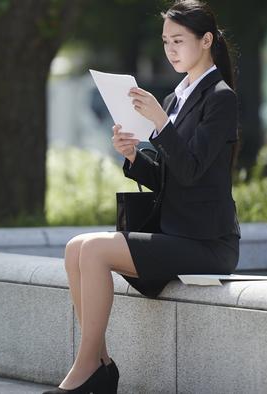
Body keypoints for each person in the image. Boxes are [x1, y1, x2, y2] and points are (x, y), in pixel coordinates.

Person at [42, 1, 241, 393]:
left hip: (205, 242)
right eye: (166, 41)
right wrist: (133, 155)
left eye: (179, 40)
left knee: (95, 250)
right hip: (175, 232)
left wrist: (161, 124)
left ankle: (87, 371)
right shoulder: (174, 99)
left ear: (206, 41)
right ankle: (99, 365)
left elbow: (192, 168)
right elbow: (170, 179)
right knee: (75, 248)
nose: (170, 50)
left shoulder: (220, 97)